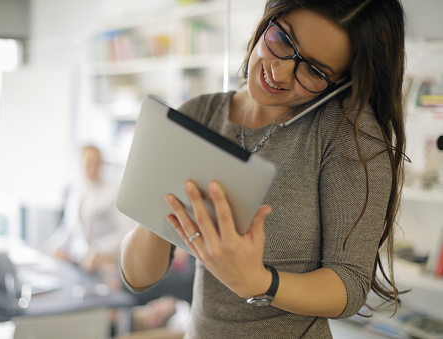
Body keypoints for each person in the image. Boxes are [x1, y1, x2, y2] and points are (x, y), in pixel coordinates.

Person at [120, 0, 407, 338]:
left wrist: (258, 282)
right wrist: (161, 197)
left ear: (342, 81)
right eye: (283, 40)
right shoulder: (197, 115)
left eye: (314, 71)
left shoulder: (346, 136)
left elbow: (350, 283)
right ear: (267, 20)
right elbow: (137, 278)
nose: (280, 73)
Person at [47, 145, 133, 273]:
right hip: (78, 261)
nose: (92, 168)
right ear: (80, 163)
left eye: (96, 163)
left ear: (102, 164)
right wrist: (53, 245)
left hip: (104, 261)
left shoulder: (114, 191)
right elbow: (67, 229)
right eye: (88, 162)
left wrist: (97, 250)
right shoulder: (75, 192)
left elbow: (127, 230)